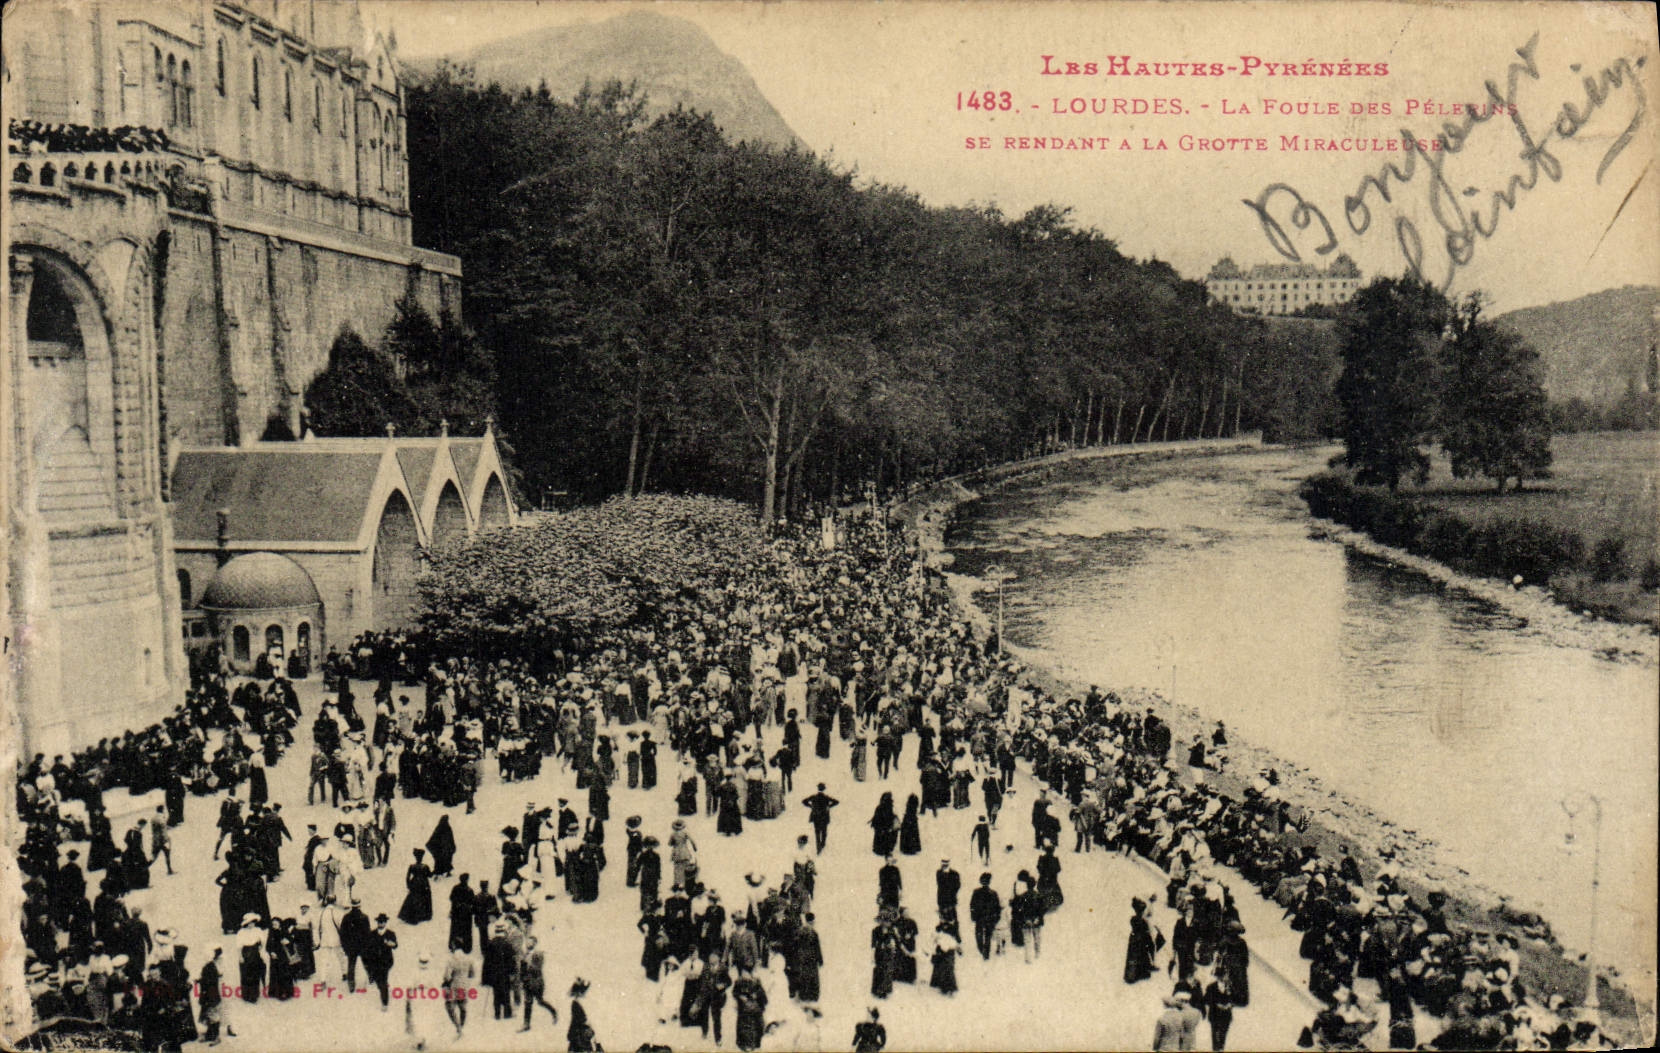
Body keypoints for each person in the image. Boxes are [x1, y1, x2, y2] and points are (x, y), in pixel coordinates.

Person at [521, 935, 559, 1031]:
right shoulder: (525, 954)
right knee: (527, 1003)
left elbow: (538, 968)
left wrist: (527, 963)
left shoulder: (538, 954)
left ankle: (553, 1011)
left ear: (534, 943)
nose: (527, 944)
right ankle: (526, 1024)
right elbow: (522, 970)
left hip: (536, 983)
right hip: (527, 982)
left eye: (530, 942)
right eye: (527, 942)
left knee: (540, 1001)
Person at [362, 913, 398, 1009]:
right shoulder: (372, 933)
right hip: (374, 961)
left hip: (386, 962)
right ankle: (376, 981)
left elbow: (395, 945)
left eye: (382, 922)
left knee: (383, 981)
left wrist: (391, 944)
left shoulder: (390, 934)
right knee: (379, 980)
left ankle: (385, 1003)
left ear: (385, 923)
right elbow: (367, 948)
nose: (381, 924)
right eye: (379, 922)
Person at [443, 941, 475, 1038]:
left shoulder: (451, 960)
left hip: (453, 986)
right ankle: (461, 1025)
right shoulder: (469, 959)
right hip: (464, 985)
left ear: (454, 947)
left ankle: (458, 1027)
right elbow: (472, 974)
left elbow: (447, 976)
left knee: (450, 1007)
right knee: (462, 1007)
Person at [1125, 897, 1160, 984]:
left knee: (1136, 956)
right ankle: (1140, 973)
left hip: (1135, 939)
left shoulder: (1134, 919)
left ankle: (1134, 974)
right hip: (1142, 939)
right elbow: (1144, 929)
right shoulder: (1140, 920)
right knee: (1142, 954)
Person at [733, 971, 769, 1051]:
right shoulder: (738, 982)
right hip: (743, 1009)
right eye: (743, 973)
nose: (745, 975)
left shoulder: (756, 981)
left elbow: (762, 993)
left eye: (747, 974)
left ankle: (756, 1043)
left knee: (756, 1026)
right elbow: (735, 992)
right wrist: (740, 996)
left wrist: (756, 995)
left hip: (756, 1008)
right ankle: (745, 1044)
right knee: (745, 1027)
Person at [969, 873, 1002, 960]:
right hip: (982, 918)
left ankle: (985, 953)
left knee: (984, 936)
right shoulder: (978, 892)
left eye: (986, 881)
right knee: (983, 936)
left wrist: (996, 918)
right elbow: (972, 905)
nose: (984, 883)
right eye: (983, 881)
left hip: (986, 918)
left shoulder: (992, 893)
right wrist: (973, 915)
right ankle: (984, 951)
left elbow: (997, 907)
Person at [397, 848, 434, 924]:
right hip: (424, 883)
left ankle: (411, 916)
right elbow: (430, 875)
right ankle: (424, 915)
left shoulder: (412, 866)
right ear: (422, 858)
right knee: (424, 898)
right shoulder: (425, 866)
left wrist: (409, 885)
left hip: (414, 884)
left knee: (413, 899)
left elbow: (407, 877)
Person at [802, 784, 839, 853]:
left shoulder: (814, 797)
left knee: (817, 832)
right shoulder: (826, 797)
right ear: (824, 789)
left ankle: (818, 848)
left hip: (816, 817)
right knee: (824, 832)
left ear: (818, 789)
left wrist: (811, 806)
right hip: (824, 817)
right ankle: (822, 844)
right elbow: (836, 802)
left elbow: (804, 801)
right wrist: (829, 806)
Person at [929, 925, 961, 995]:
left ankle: (947, 987)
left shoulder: (951, 929)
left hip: (948, 952)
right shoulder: (939, 928)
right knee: (942, 968)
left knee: (946, 969)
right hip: (943, 951)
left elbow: (956, 941)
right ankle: (944, 986)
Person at [567, 978, 596, 1052]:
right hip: (580, 1036)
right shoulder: (576, 1004)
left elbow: (576, 1020)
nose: (583, 993)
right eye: (582, 991)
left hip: (581, 1035)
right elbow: (577, 1020)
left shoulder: (576, 1004)